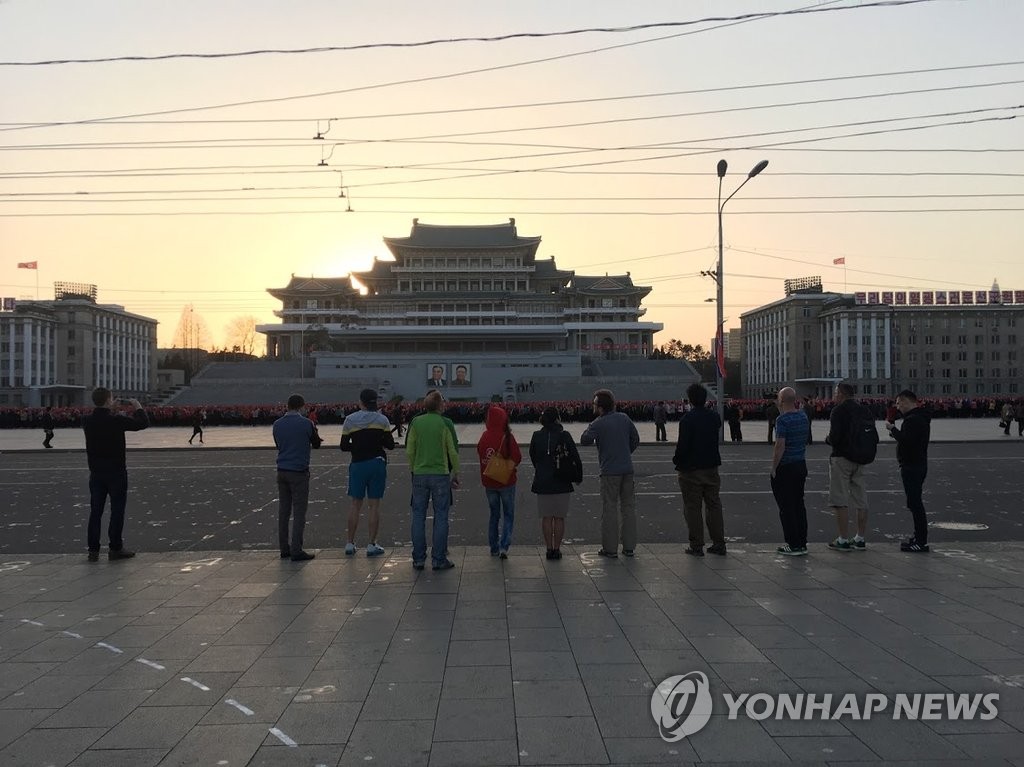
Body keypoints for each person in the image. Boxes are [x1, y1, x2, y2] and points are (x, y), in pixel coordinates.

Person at [82, 388, 149, 561]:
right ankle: (115, 548)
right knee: (117, 510)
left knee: (95, 512)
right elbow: (142, 423)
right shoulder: (116, 420)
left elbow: (103, 420)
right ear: (107, 400)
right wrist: (138, 407)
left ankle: (93, 550)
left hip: (96, 473)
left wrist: (111, 410)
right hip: (116, 472)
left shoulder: (87, 420)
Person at [581, 389, 640, 558]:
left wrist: (591, 425)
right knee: (628, 508)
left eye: (594, 404)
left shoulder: (598, 423)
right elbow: (635, 439)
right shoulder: (624, 418)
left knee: (610, 509)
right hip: (627, 470)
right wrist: (624, 453)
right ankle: (629, 547)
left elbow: (585, 440)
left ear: (599, 407)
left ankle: (610, 548)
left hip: (609, 472)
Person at [406, 390, 460, 571]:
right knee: (441, 516)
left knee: (418, 515)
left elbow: (409, 450)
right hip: (440, 474)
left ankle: (419, 559)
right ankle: (438, 559)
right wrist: (456, 473)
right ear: (439, 405)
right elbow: (453, 451)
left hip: (420, 474)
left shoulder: (416, 422)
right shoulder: (445, 423)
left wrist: (414, 469)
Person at [340, 388, 396, 557]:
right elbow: (390, 444)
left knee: (355, 504)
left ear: (361, 402)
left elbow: (343, 446)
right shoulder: (382, 420)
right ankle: (372, 543)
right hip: (376, 462)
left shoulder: (350, 420)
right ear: (375, 402)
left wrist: (357, 446)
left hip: (358, 463)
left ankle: (350, 543)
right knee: (374, 505)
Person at [672, 383, 726, 557]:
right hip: (711, 467)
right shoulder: (714, 417)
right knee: (714, 505)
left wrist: (677, 461)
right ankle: (719, 543)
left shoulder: (687, 420)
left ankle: (696, 545)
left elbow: (683, 446)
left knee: (692, 508)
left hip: (691, 470)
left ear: (690, 400)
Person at [272, 393, 323, 562]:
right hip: (299, 471)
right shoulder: (306, 423)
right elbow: (316, 444)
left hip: (282, 470)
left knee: (283, 511)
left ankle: (284, 548)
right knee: (299, 512)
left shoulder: (277, 424)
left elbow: (279, 445)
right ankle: (296, 549)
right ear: (301, 406)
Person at [530, 406, 581, 560]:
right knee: (559, 517)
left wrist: (541, 469)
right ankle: (557, 549)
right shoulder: (564, 435)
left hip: (543, 481)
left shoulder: (536, 436)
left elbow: (533, 456)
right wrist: (578, 476)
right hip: (562, 480)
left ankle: (549, 549)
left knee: (546, 517)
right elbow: (575, 456)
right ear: (557, 419)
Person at [825, 383, 870, 552]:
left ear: (842, 394)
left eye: (835, 393)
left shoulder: (838, 410)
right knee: (861, 499)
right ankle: (860, 538)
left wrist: (827, 439)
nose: (834, 396)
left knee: (840, 499)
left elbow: (835, 437)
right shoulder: (864, 409)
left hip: (842, 458)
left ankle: (843, 539)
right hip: (861, 458)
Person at [886, 390, 932, 552]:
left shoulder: (912, 420)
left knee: (915, 503)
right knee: (914, 502)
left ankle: (920, 540)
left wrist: (892, 429)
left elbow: (907, 440)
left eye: (899, 403)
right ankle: (918, 537)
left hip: (912, 465)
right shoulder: (919, 417)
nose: (897, 407)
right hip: (916, 464)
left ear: (906, 401)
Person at [476, 404, 522, 559]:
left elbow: (480, 452)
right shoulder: (507, 436)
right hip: (506, 481)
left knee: (494, 515)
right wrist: (507, 466)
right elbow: (517, 457)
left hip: (489, 481)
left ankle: (493, 547)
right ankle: (504, 545)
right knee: (508, 514)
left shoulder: (484, 436)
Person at [770, 387, 810, 556]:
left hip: (786, 466)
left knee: (786, 507)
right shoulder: (803, 416)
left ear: (781, 401)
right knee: (799, 504)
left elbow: (780, 446)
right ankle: (801, 541)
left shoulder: (782, 420)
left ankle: (792, 544)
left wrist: (773, 467)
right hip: (800, 463)